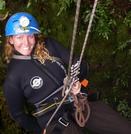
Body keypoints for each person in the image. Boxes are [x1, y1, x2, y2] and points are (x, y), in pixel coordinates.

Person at [3, 12, 131, 134]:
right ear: (11, 40)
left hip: (78, 101)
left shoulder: (49, 45)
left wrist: (77, 80)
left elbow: (80, 64)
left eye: (30, 36)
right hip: (53, 120)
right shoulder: (13, 77)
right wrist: (40, 130)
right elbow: (18, 114)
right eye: (19, 37)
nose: (26, 43)